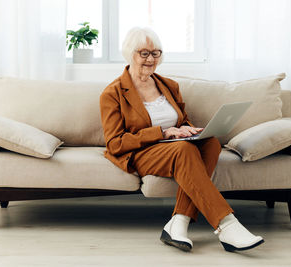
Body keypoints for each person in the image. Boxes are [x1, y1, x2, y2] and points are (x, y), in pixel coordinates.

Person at [99, 27, 264, 252]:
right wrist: (162, 133)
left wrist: (189, 129)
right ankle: (227, 225)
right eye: (144, 53)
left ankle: (179, 222)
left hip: (174, 146)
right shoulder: (113, 93)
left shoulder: (169, 86)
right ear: (130, 54)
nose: (150, 59)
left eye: (155, 53)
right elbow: (115, 143)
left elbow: (181, 120)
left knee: (210, 143)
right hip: (142, 152)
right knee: (184, 151)